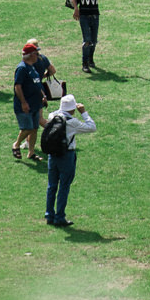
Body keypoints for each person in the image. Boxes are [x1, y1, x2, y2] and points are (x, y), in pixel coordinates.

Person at [41, 93, 96, 227]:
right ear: (73, 108)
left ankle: (49, 214)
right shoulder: (73, 122)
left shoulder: (52, 116)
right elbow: (92, 127)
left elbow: (55, 113)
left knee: (52, 185)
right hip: (66, 155)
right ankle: (60, 216)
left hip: (53, 154)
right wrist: (84, 112)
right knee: (64, 186)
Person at [69, 0, 118, 73]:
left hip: (95, 14)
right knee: (87, 40)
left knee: (94, 41)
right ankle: (85, 63)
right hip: (84, 15)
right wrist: (76, 8)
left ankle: (91, 58)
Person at [12, 41, 45, 160]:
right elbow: (18, 86)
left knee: (35, 128)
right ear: (31, 55)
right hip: (26, 105)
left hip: (35, 103)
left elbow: (37, 82)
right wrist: (23, 102)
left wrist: (43, 96)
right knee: (28, 128)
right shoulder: (22, 68)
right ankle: (16, 145)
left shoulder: (32, 67)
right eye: (36, 53)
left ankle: (31, 152)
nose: (38, 55)